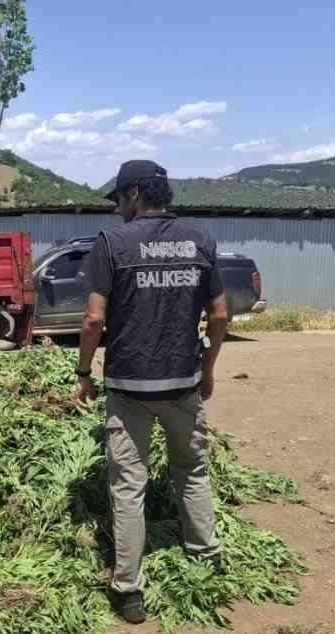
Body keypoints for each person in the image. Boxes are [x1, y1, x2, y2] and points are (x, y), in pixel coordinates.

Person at [75, 160, 227, 625]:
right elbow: (219, 315)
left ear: (137, 193)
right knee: (192, 470)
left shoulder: (111, 243)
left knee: (128, 488)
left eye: (120, 197)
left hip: (129, 388)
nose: (119, 207)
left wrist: (83, 372)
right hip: (184, 384)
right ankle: (207, 556)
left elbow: (93, 320)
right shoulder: (201, 239)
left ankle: (128, 590)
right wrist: (208, 367)